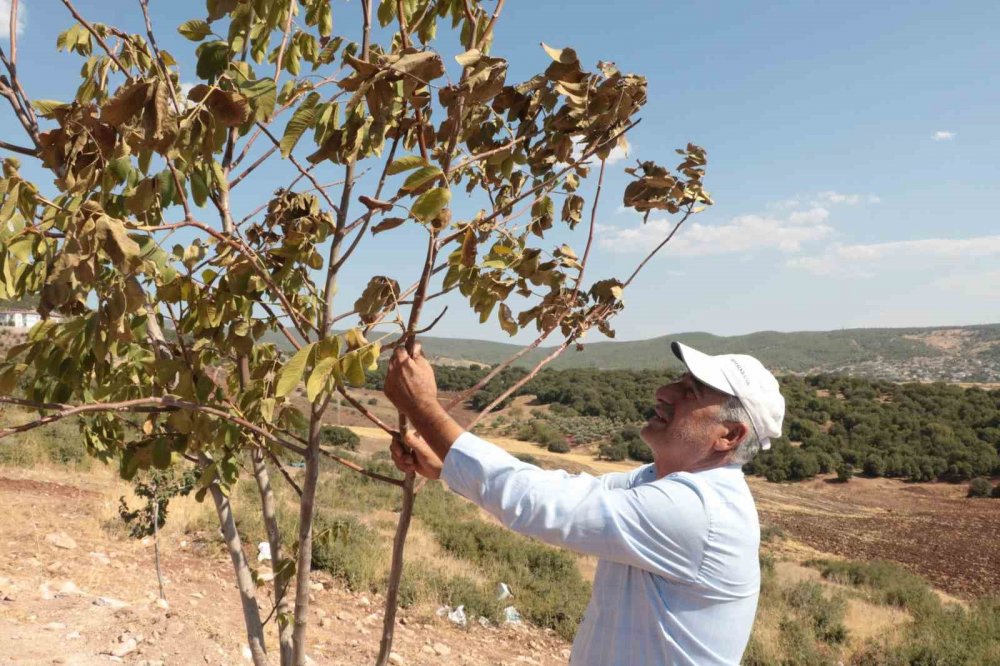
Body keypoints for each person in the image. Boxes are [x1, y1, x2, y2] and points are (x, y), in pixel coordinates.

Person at [383, 341, 785, 666]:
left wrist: (423, 408)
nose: (664, 393)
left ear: (729, 436)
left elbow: (540, 503)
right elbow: (563, 489)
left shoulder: (697, 512)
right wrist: (446, 466)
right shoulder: (658, 483)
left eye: (690, 392)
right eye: (678, 382)